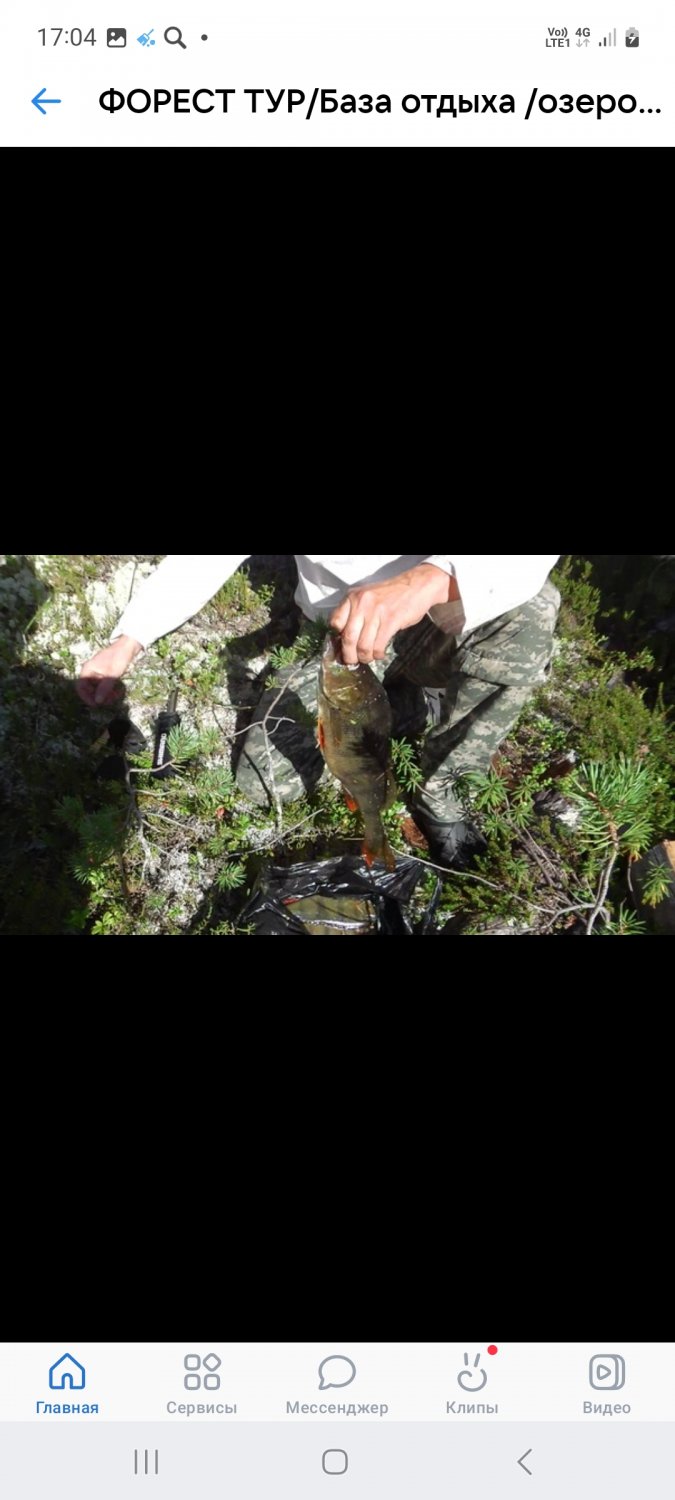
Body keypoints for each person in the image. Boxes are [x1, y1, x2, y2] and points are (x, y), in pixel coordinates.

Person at [77, 554, 561, 868]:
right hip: (340, 632)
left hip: (442, 612)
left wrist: (436, 576)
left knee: (534, 608)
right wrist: (130, 638)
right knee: (267, 781)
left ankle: (441, 792)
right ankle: (414, 707)